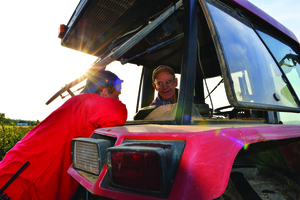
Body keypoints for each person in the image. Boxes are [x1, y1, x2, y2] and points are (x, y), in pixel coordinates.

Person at [0, 69, 127, 200]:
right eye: (117, 96)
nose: (118, 100)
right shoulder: (88, 103)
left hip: (20, 176)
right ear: (104, 92)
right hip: (20, 185)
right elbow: (117, 113)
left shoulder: (79, 104)